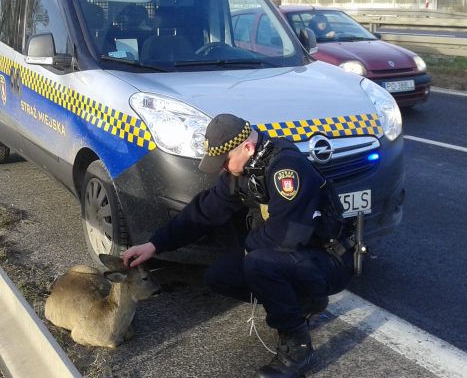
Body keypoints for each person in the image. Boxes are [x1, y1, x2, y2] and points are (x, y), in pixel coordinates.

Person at [122, 113, 356, 378]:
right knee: (219, 276)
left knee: (258, 262)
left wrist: (249, 249)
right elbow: (204, 212)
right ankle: (305, 301)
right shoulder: (245, 168)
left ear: (247, 146)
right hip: (295, 256)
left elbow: (285, 236)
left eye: (225, 161)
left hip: (327, 259)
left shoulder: (286, 169)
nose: (223, 168)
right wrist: (154, 244)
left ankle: (297, 349)